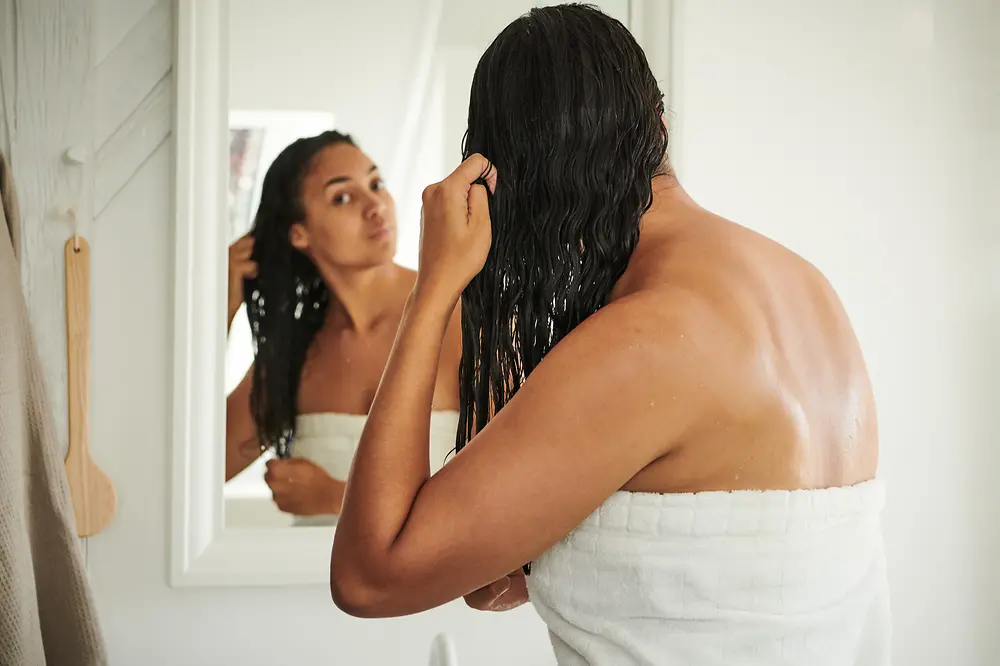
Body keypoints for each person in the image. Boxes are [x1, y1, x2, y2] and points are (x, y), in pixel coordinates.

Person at [329, 5, 889, 666]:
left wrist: (433, 291)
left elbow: (370, 577)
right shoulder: (805, 288)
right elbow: (718, 564)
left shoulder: (645, 343)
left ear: (514, 175)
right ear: (656, 122)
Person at [225, 130, 462, 525]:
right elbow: (198, 469)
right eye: (343, 197)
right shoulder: (292, 356)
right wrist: (220, 313)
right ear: (299, 233)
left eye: (376, 184)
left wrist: (336, 497)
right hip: (298, 586)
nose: (375, 206)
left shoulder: (459, 319)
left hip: (442, 587)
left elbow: (512, 491)